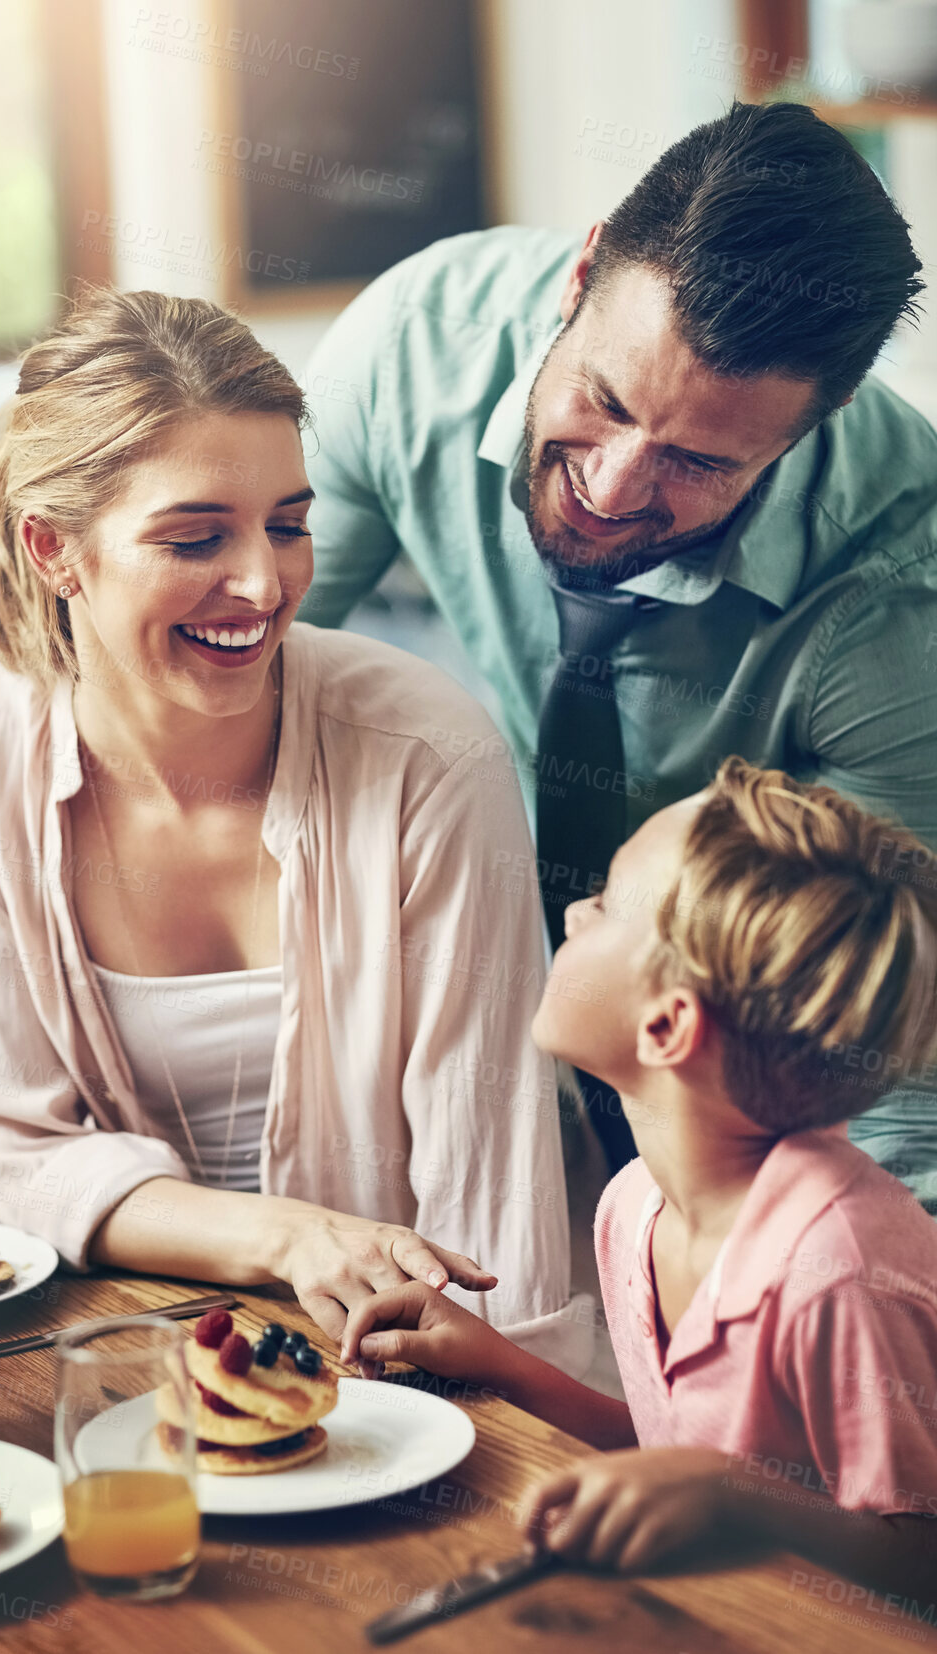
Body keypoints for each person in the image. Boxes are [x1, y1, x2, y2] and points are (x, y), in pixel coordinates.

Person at [0, 286, 586, 1369]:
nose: (264, 584)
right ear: (53, 549)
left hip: (433, 1376)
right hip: (130, 1353)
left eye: (288, 523)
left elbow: (492, 1218)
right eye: (194, 538)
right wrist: (289, 1237)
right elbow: (20, 1149)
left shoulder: (426, 756)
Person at [298, 98, 937, 1195]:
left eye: (696, 463)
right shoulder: (411, 352)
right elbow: (217, 678)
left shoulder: (896, 588)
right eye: (602, 400)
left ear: (812, 423)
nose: (609, 489)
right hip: (485, 1046)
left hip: (736, 1110)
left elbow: (879, 1057)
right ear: (582, 270)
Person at [341, 758, 937, 1605]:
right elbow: (675, 1463)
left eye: (609, 903)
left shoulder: (843, 1271)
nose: (575, 910)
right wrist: (502, 1365)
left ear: (666, 1027)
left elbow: (920, 1555)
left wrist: (747, 1502)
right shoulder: (634, 1207)